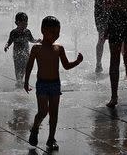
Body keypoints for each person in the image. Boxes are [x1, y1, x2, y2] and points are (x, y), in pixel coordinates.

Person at [24, 15, 83, 151]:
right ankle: (35, 128)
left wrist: (77, 62)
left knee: (54, 113)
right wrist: (26, 81)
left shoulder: (59, 48)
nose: (56, 35)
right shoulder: (36, 48)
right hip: (42, 84)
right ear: (43, 30)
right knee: (43, 111)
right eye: (53, 32)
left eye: (58, 32)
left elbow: (66, 65)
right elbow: (29, 66)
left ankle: (51, 139)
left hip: (55, 84)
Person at [87, 0, 113, 73]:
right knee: (102, 38)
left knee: (112, 38)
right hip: (101, 13)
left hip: (110, 13)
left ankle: (103, 64)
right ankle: (98, 63)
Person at [4, 12, 38, 86]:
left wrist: (37, 41)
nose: (25, 24)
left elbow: (31, 40)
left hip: (25, 53)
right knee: (17, 67)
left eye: (26, 22)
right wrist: (7, 45)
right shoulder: (13, 32)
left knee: (24, 67)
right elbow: (9, 41)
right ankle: (18, 80)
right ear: (16, 23)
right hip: (17, 54)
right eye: (23, 23)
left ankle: (21, 79)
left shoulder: (27, 32)